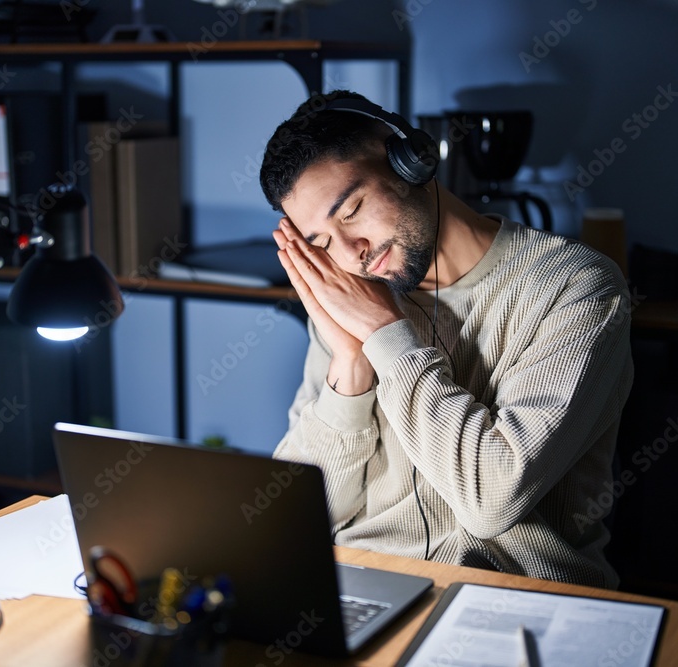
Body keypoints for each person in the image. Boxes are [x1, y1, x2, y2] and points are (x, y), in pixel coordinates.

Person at [259, 90, 633, 588]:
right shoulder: (347, 301)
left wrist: (387, 337)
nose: (352, 254)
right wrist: (349, 369)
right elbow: (297, 513)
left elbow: (491, 500)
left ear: (410, 162)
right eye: (322, 243)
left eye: (352, 210)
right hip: (367, 584)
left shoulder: (576, 288)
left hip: (511, 596)